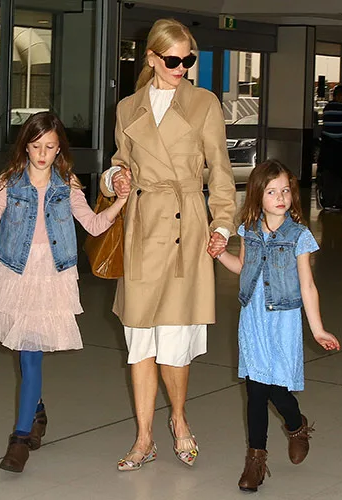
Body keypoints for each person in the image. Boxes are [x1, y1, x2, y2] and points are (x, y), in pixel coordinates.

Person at [102, 18, 236, 471]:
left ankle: (178, 419)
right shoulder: (128, 108)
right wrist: (114, 179)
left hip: (186, 227)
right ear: (152, 58)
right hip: (142, 226)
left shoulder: (203, 103)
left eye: (188, 60)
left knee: (175, 341)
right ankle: (144, 438)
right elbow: (119, 162)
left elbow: (220, 171)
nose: (182, 68)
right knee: (139, 339)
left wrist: (222, 225)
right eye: (174, 60)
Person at [0, 112, 130, 473]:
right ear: (25, 147)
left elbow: (93, 224)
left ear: (59, 149)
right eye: (36, 146)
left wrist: (120, 203)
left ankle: (20, 440)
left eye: (50, 147)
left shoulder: (67, 184)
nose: (42, 154)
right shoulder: (9, 183)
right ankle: (37, 410)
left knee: (31, 355)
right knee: (24, 349)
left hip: (53, 274)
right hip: (17, 271)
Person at [210, 160, 340, 492]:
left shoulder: (299, 236)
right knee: (255, 390)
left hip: (283, 320)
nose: (280, 197)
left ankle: (296, 425)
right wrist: (220, 254)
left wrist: (318, 329)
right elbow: (243, 267)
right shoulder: (249, 230)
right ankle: (255, 461)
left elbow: (307, 285)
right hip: (253, 318)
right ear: (257, 195)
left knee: (278, 390)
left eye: (285, 190)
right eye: (271, 192)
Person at [317, 85, 342, 210]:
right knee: (339, 175)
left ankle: (328, 201)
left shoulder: (327, 108)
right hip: (339, 147)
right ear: (338, 96)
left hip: (327, 145)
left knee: (328, 174)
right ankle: (337, 200)